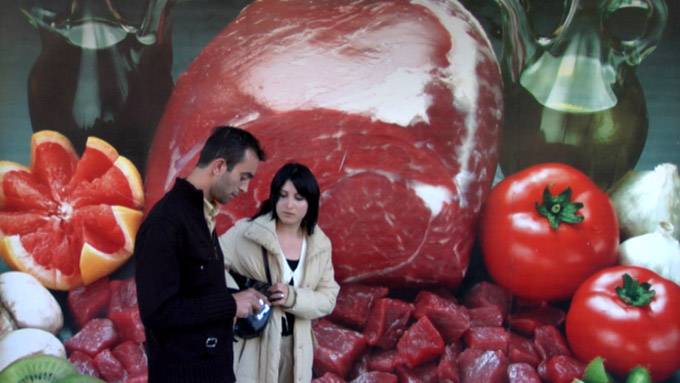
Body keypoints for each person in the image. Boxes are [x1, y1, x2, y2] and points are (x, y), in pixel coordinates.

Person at [134, 126, 269, 383]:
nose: (245, 188)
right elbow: (158, 311)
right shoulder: (166, 222)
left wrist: (239, 298)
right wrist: (230, 304)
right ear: (219, 166)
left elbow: (194, 292)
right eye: (243, 176)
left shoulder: (199, 213)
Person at [220, 162, 340, 383]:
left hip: (298, 350)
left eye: (298, 198)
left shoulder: (320, 244)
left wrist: (293, 297)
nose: (289, 205)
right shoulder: (247, 232)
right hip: (254, 346)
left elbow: (328, 298)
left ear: (310, 202)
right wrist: (235, 296)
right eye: (282, 195)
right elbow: (207, 263)